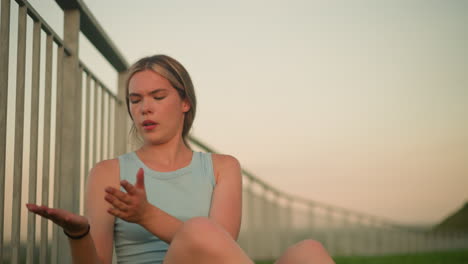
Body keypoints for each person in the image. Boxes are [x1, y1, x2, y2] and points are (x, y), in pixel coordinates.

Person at [26, 55, 335, 264]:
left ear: (185, 102)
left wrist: (146, 214)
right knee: (200, 228)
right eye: (135, 100)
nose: (145, 108)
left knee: (311, 252)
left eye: (158, 97)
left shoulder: (223, 167)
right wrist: (78, 234)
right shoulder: (108, 172)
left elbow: (217, 250)